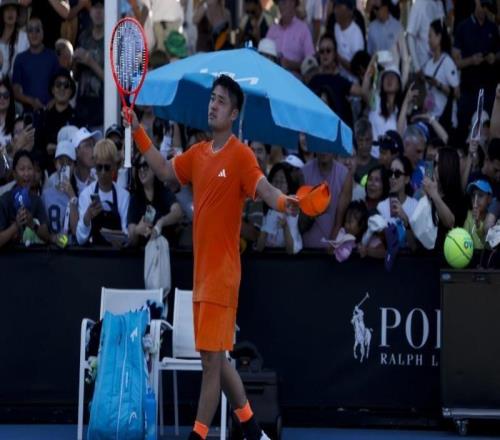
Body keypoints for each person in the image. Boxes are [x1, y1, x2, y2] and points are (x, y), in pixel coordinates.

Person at [125, 74, 298, 440]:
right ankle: (254, 432)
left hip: (223, 275)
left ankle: (198, 436)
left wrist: (285, 202)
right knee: (218, 358)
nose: (213, 105)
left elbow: (265, 189)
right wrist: (138, 130)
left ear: (233, 114)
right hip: (201, 275)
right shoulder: (199, 153)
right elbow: (164, 171)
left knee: (210, 364)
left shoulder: (242, 155)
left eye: (221, 101)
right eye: (212, 98)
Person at [76, 139, 130, 245]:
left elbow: (127, 233)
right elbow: (80, 239)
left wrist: (121, 240)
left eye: (107, 167)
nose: (103, 172)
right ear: (94, 166)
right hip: (94, 254)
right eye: (99, 167)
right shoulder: (85, 195)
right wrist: (87, 218)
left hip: (117, 253)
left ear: (114, 166)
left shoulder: (124, 196)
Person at [127, 155, 183, 247]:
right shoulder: (135, 198)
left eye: (145, 165)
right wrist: (137, 230)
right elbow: (131, 238)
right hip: (143, 252)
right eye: (139, 166)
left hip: (165, 250)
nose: (141, 170)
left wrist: (161, 223)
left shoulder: (164, 192)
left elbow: (178, 212)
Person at [0, 149, 50, 248]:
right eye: (22, 169)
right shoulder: (4, 200)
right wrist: (16, 226)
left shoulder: (37, 200)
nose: (26, 174)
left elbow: (47, 237)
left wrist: (32, 224)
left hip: (31, 255)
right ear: (14, 174)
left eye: (30, 168)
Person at [12, 16, 59, 111]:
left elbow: (60, 84)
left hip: (51, 111)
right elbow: (16, 91)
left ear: (43, 32)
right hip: (28, 113)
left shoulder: (52, 57)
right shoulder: (20, 59)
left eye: (37, 30)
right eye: (30, 30)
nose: (34, 34)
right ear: (27, 34)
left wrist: (54, 101)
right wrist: (31, 101)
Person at [255, 162, 302, 254]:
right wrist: (266, 227)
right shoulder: (264, 206)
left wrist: (285, 226)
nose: (278, 185)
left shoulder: (293, 210)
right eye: (275, 181)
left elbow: (291, 251)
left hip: (286, 261)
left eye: (282, 181)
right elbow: (259, 248)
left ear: (288, 187)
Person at [266, 0, 315, 75]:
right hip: (272, 76)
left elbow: (311, 63)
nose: (281, 5)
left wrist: (293, 65)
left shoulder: (303, 29)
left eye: (284, 2)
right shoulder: (272, 29)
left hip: (294, 78)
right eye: (279, 2)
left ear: (293, 3)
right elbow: (263, 56)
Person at [0, 0, 29, 78]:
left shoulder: (25, 38)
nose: (10, 13)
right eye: (7, 9)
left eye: (13, 9)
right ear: (2, 14)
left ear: (17, 14)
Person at [463, 179, 492, 250]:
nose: (475, 200)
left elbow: (490, 247)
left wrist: (478, 224)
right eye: (473, 195)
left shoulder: (493, 219)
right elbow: (464, 244)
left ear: (489, 199)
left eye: (480, 195)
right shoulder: (469, 216)